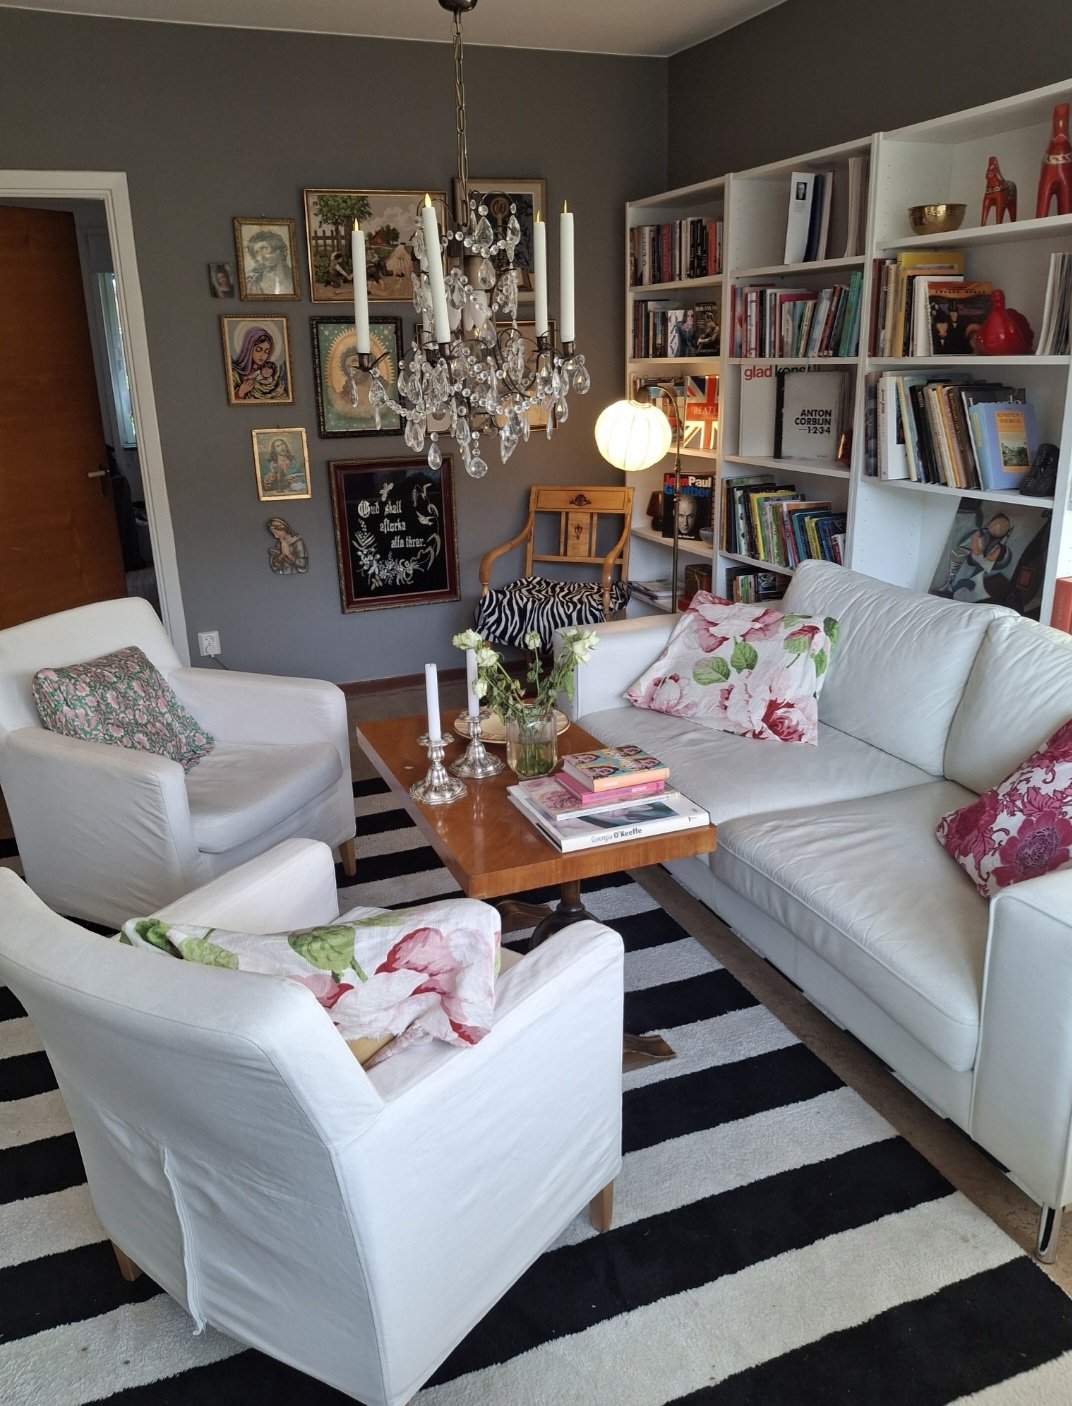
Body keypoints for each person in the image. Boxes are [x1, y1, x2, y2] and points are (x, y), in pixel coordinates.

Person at [230, 326, 286, 401]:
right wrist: (240, 393)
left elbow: (281, 397)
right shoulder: (234, 374)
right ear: (249, 348)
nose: (262, 355)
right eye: (258, 350)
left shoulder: (269, 371)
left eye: (267, 352)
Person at [244, 229, 293, 296]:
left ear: (278, 251)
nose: (261, 257)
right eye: (257, 253)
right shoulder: (251, 285)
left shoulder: (294, 278)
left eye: (264, 249)